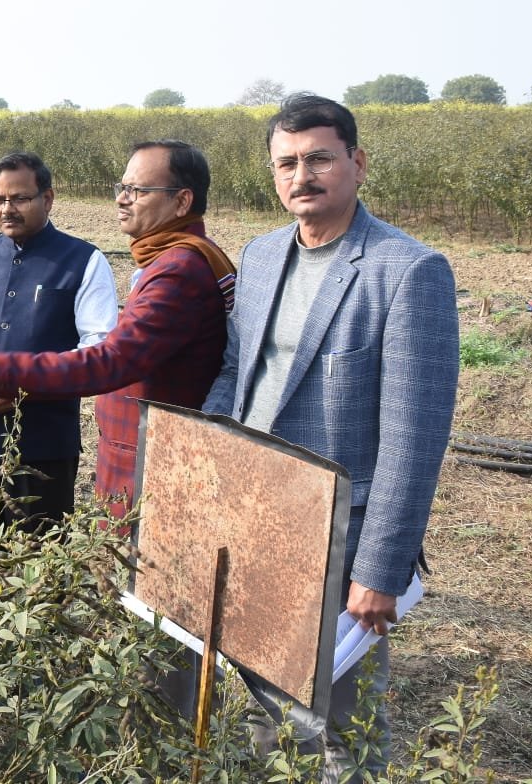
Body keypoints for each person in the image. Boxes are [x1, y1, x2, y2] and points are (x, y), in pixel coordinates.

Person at [202, 93, 458, 778]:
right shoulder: (259, 258)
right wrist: (212, 462)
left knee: (344, 719)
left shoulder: (406, 271)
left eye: (319, 158)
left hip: (342, 533)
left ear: (357, 163)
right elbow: (237, 369)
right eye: (286, 163)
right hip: (258, 515)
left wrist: (380, 570)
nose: (301, 176)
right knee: (262, 696)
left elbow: (413, 438)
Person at [0, 140, 235, 524]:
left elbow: (108, 356)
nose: (122, 200)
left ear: (182, 201)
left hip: (97, 451)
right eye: (121, 189)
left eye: (136, 190)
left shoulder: (166, 269)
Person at [0, 152, 117, 529]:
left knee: (38, 566)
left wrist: (25, 390)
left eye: (19, 198)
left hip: (44, 450)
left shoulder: (84, 261)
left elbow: (97, 350)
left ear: (47, 198)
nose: (7, 209)